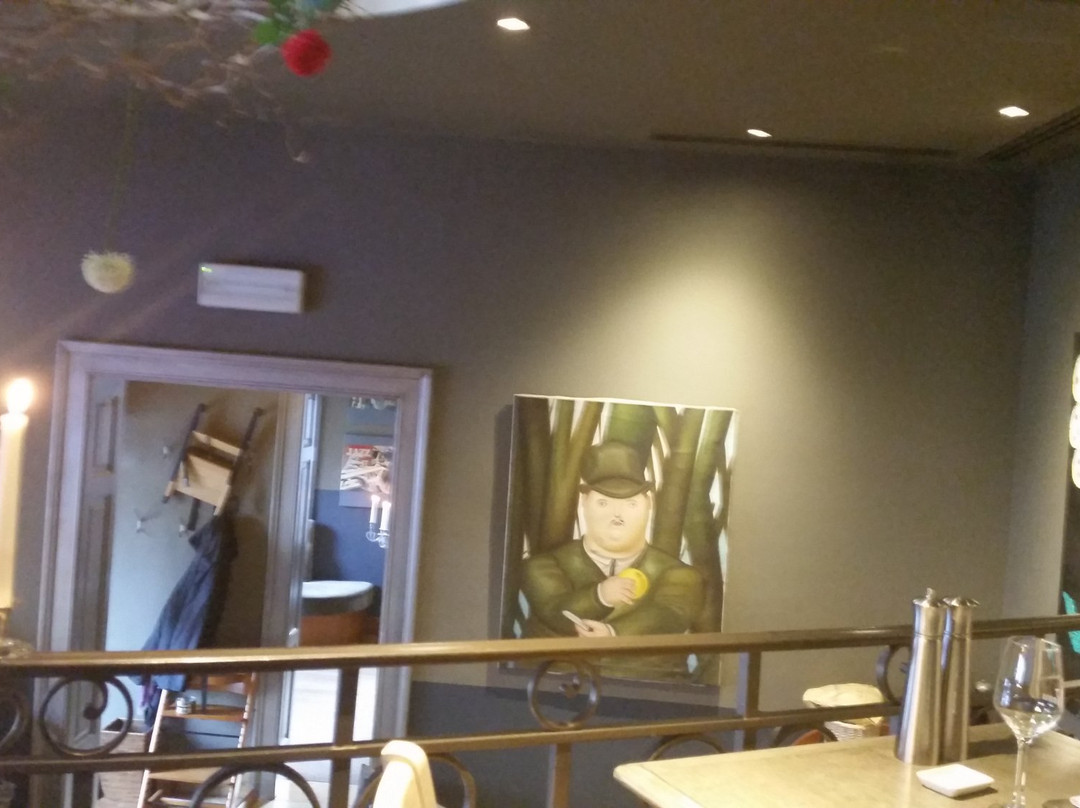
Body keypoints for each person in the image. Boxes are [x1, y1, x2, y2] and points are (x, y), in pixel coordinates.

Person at [520, 441, 705, 679]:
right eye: (604, 502)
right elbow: (556, 611)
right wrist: (600, 596)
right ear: (584, 503)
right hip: (552, 689)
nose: (617, 514)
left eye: (630, 503)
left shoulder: (679, 575)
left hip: (649, 693)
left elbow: (668, 614)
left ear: (649, 504)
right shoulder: (543, 567)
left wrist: (613, 633)